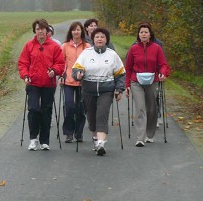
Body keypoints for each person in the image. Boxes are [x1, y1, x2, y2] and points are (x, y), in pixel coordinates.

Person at [72, 28, 125, 156]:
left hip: (106, 90)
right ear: (93, 39)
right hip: (88, 90)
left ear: (106, 39)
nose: (100, 39)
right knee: (91, 116)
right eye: (97, 37)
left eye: (102, 37)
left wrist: (119, 89)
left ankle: (101, 143)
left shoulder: (112, 54)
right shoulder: (86, 53)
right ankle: (95, 137)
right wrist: (78, 74)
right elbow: (76, 69)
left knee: (102, 113)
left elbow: (120, 73)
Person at [18, 18, 65, 151]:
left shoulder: (54, 46)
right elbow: (23, 63)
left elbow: (61, 64)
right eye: (38, 29)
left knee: (46, 111)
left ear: (47, 31)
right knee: (33, 109)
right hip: (33, 83)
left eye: (43, 29)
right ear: (35, 31)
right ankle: (33, 139)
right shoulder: (29, 46)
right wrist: (25, 75)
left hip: (48, 83)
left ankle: (44, 140)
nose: (40, 31)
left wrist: (54, 71)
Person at [125, 23, 170, 147]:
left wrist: (162, 73)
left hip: (152, 80)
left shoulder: (157, 48)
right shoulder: (133, 49)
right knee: (140, 108)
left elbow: (163, 65)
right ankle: (140, 137)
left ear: (150, 34)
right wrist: (127, 84)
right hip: (136, 81)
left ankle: (150, 134)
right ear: (138, 35)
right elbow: (128, 68)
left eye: (146, 32)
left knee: (151, 109)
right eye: (141, 32)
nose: (143, 34)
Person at [60, 21, 90, 143]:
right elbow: (61, 63)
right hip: (68, 81)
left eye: (78, 29)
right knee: (69, 106)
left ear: (81, 31)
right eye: (74, 30)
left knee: (80, 108)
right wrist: (61, 76)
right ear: (70, 32)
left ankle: (79, 133)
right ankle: (68, 132)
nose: (76, 32)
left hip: (83, 82)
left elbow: (90, 63)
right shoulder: (65, 46)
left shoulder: (87, 47)